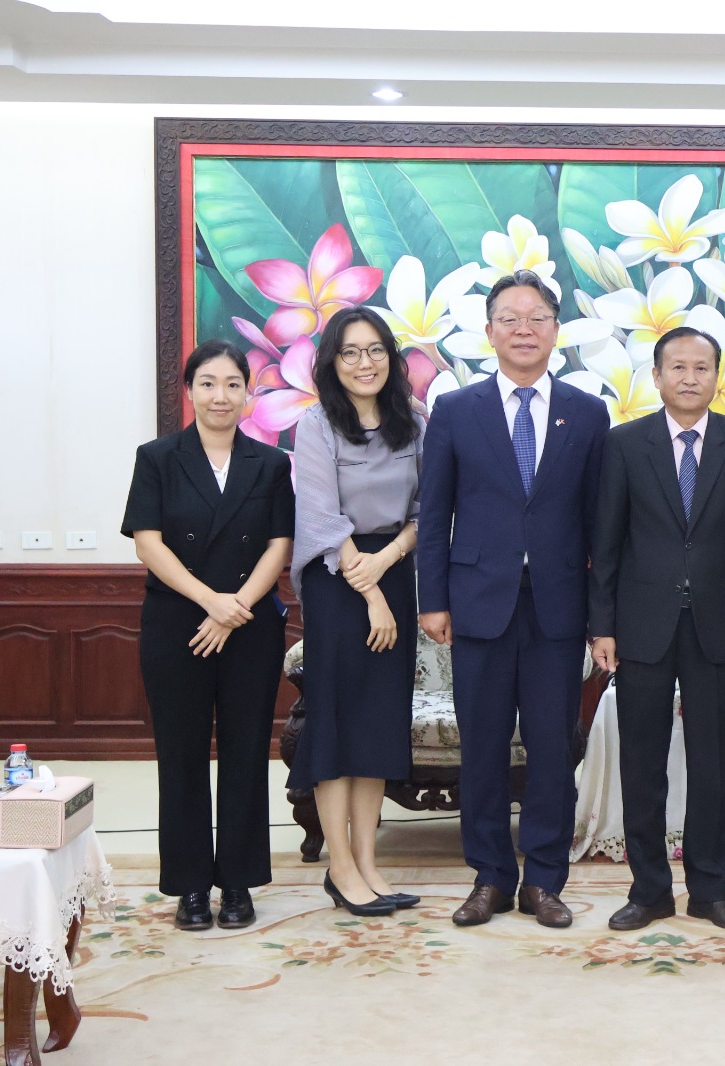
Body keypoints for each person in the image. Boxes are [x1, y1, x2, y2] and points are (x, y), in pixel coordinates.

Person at [417, 270, 608, 929]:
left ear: (556, 330)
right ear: (489, 331)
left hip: (558, 606)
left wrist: (601, 617)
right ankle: (490, 877)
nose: (524, 329)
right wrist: (432, 600)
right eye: (510, 318)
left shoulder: (587, 412)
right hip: (477, 603)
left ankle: (545, 881)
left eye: (537, 318)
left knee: (553, 749)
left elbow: (600, 525)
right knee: (483, 747)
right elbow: (434, 513)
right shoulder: (455, 409)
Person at [589, 325, 725, 933]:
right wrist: (602, 625)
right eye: (678, 367)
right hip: (641, 627)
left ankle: (710, 888)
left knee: (713, 763)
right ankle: (648, 890)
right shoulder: (625, 443)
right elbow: (606, 542)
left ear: (717, 376)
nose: (690, 378)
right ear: (657, 375)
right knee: (642, 763)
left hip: (719, 628)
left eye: (702, 368)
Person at [121, 340, 294, 931]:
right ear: (190, 391)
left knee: (247, 752)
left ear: (249, 394)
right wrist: (210, 602)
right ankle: (191, 886)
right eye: (208, 383)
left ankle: (238, 881)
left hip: (249, 627)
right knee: (181, 755)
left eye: (233, 384)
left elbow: (279, 545)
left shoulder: (269, 464)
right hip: (178, 625)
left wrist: (234, 608)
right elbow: (148, 544)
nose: (221, 396)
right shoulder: (157, 458)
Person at [287, 307, 424, 918]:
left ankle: (368, 864)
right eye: (350, 352)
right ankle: (340, 868)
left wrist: (387, 562)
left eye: (375, 350)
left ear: (391, 357)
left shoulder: (415, 421)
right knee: (338, 723)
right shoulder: (316, 424)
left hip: (393, 567)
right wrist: (369, 591)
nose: (364, 363)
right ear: (332, 362)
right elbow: (319, 514)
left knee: (378, 724)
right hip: (336, 579)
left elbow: (428, 508)